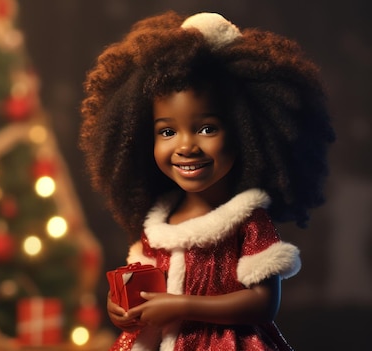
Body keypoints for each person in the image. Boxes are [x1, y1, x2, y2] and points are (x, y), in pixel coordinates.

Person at [79, 11, 335, 351]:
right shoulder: (157, 226)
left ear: (247, 133)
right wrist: (121, 309)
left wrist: (182, 306)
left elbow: (262, 304)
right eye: (167, 131)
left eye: (206, 128)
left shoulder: (248, 222)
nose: (186, 146)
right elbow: (140, 290)